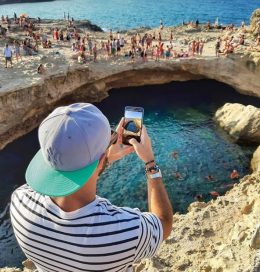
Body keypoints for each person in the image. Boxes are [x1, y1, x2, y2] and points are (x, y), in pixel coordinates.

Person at [10, 103, 173, 272]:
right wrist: (150, 163)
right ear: (101, 158)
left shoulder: (19, 201)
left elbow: (71, 183)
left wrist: (104, 160)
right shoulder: (126, 232)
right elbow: (163, 224)